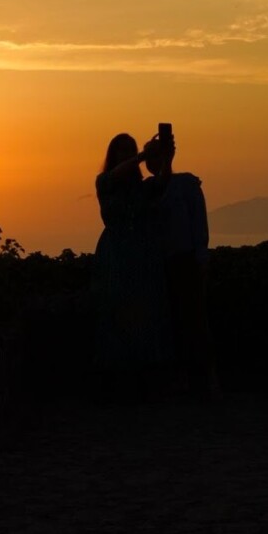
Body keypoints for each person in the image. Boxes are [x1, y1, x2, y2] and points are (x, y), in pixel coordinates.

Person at [144, 130, 220, 399]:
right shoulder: (147, 189)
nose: (155, 161)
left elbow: (199, 224)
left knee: (195, 322)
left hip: (185, 261)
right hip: (158, 265)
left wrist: (201, 258)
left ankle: (205, 381)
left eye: (159, 155)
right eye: (150, 157)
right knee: (170, 324)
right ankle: (181, 380)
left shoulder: (186, 185)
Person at [91, 134, 167, 402]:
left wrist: (166, 159)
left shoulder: (141, 188)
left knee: (143, 315)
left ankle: (141, 382)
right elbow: (114, 177)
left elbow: (162, 183)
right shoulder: (104, 182)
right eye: (122, 151)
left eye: (129, 151)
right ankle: (115, 382)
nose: (126, 156)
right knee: (115, 314)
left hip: (140, 254)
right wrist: (142, 156)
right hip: (116, 255)